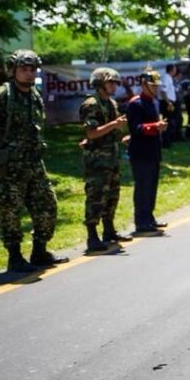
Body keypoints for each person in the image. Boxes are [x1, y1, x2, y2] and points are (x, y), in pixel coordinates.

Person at [0, 49, 68, 273]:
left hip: (33, 164)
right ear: (13, 70)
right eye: (23, 69)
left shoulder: (33, 95)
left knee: (47, 205)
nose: (28, 73)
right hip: (8, 168)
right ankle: (15, 257)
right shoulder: (1, 95)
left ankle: (39, 252)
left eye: (32, 69)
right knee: (10, 211)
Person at [79, 67, 134, 251]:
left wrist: (122, 134)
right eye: (111, 82)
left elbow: (112, 129)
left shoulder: (111, 103)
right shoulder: (91, 104)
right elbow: (91, 133)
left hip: (112, 157)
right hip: (97, 160)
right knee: (96, 197)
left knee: (112, 195)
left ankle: (109, 230)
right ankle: (92, 236)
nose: (114, 86)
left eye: (116, 83)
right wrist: (114, 124)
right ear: (100, 84)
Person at [126, 70, 168, 235]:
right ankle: (141, 221)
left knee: (152, 186)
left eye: (156, 85)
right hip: (140, 152)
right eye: (152, 85)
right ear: (143, 85)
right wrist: (154, 126)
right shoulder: (135, 104)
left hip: (153, 150)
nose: (155, 88)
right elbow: (135, 129)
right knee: (142, 186)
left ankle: (149, 217)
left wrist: (160, 127)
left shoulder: (154, 102)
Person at [160, 63, 181, 145]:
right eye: (175, 69)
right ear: (172, 69)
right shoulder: (166, 77)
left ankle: (169, 140)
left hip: (169, 102)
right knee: (167, 122)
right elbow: (163, 91)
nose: (176, 71)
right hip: (167, 102)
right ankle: (166, 142)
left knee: (170, 122)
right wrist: (168, 103)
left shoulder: (169, 78)